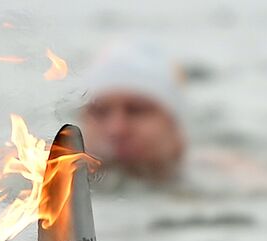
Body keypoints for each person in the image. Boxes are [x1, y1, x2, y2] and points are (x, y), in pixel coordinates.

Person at [77, 39, 186, 182]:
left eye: (136, 110)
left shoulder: (217, 179)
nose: (116, 129)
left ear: (173, 125)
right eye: (100, 111)